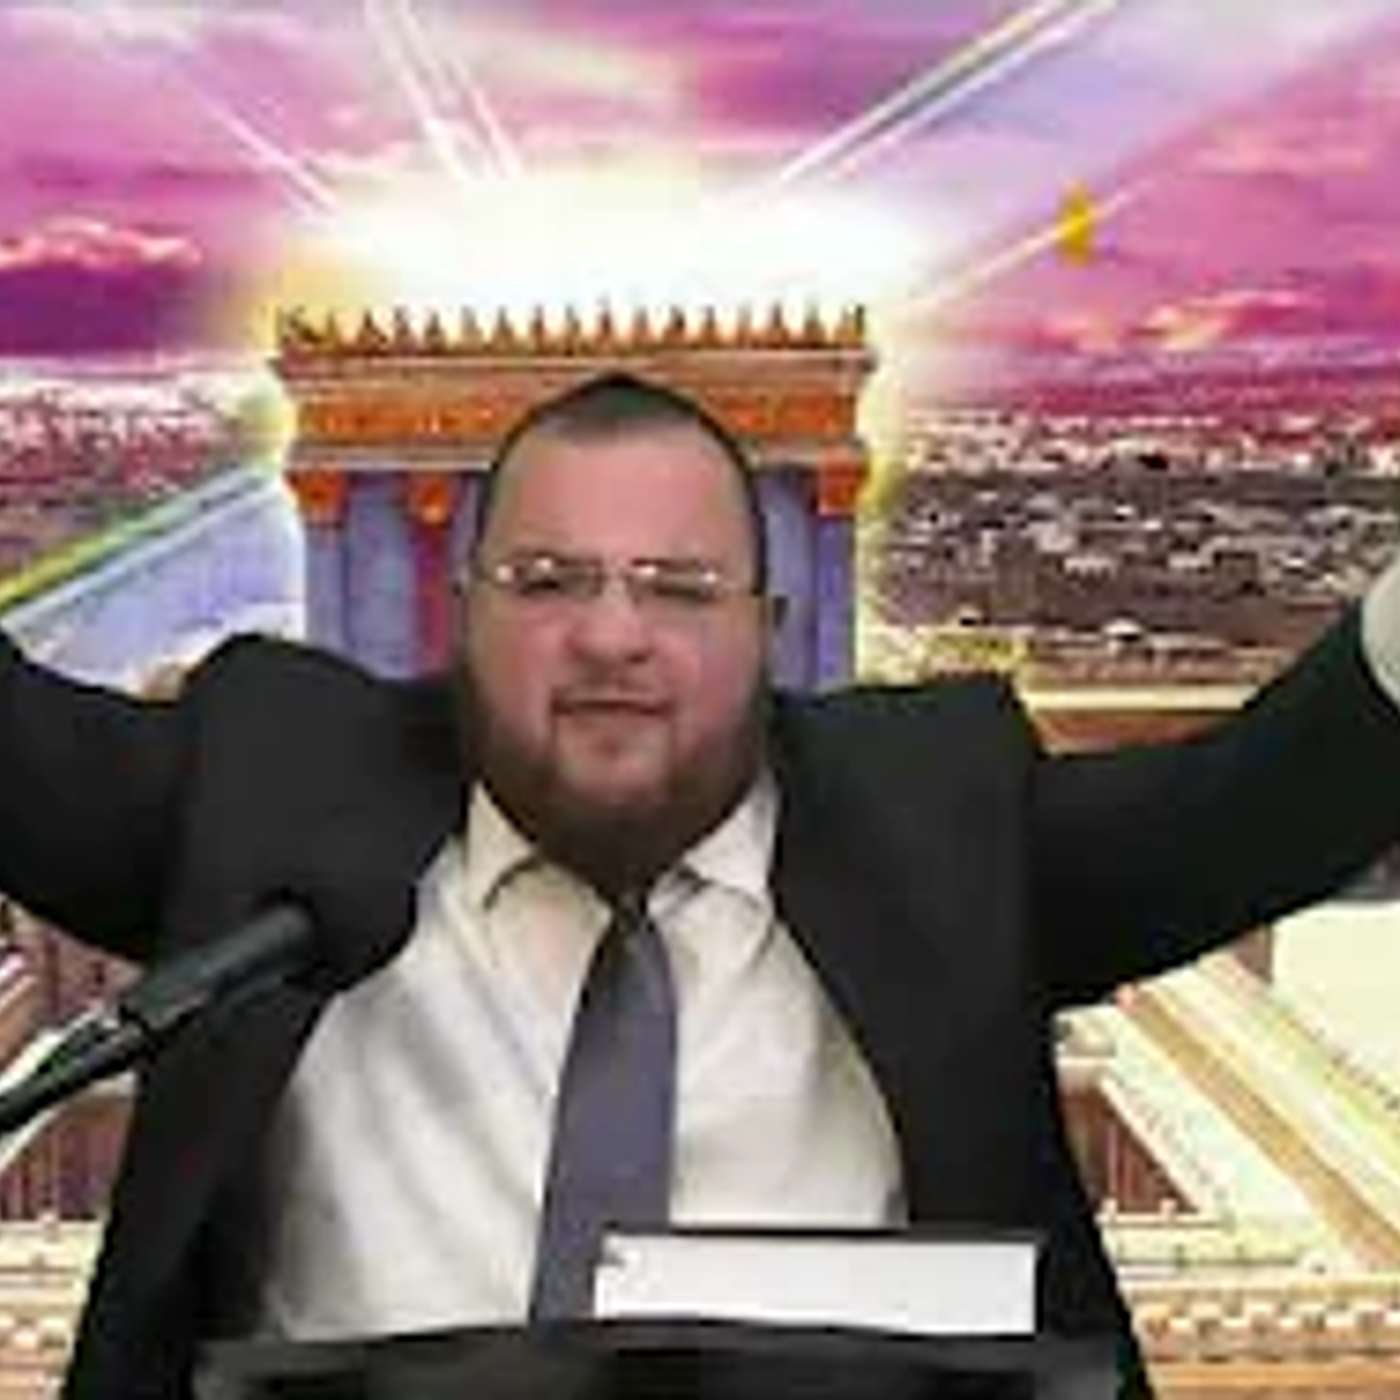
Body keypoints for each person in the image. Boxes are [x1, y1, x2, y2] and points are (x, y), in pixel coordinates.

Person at [4, 372, 1400, 1400]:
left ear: (766, 628)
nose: (612, 636)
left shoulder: (938, 822)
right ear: (464, 612)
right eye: (550, 581)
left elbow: (1254, 810)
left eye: (678, 587)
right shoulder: (273, 790)